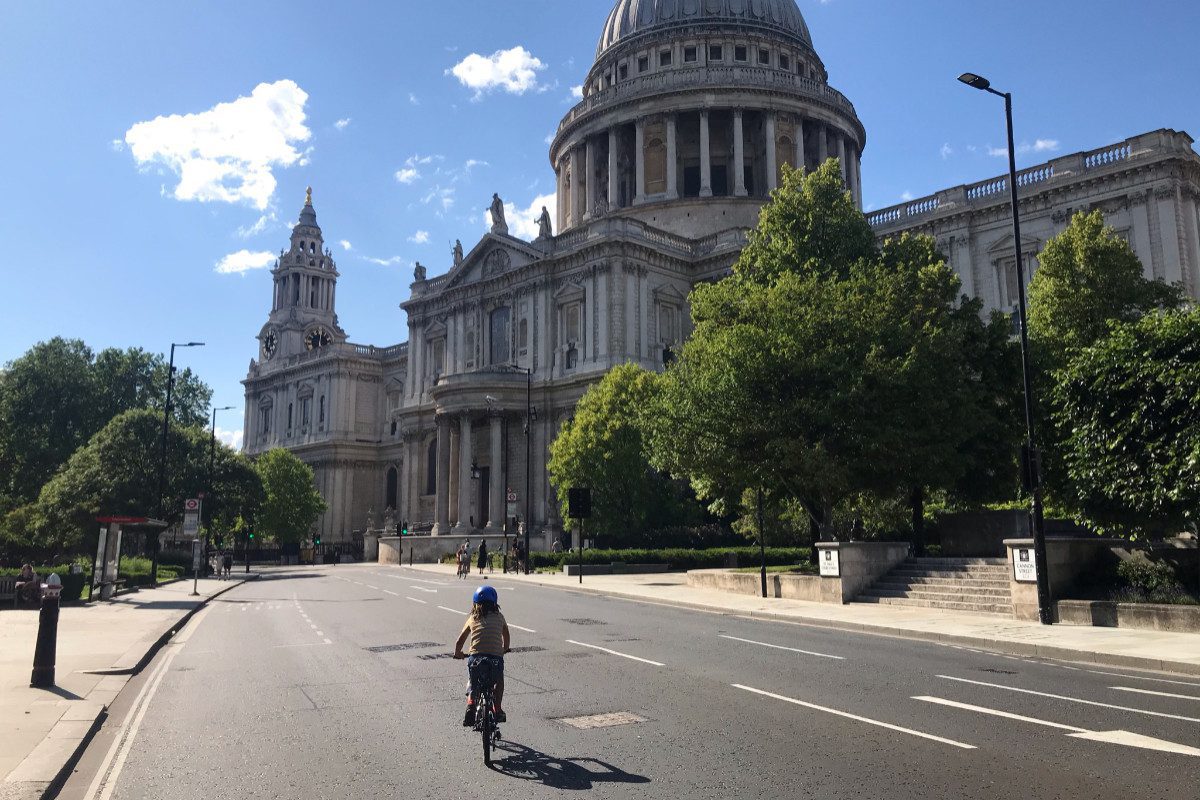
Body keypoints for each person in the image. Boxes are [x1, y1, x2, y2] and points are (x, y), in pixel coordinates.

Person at [453, 585, 510, 726]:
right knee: (499, 682)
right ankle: (497, 708)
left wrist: (458, 653)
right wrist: (505, 649)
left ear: (475, 603)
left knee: (473, 681)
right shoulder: (499, 617)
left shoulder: (473, 618)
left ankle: (471, 704)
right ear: (495, 602)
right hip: (495, 658)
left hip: (475, 658)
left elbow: (460, 640)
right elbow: (506, 635)